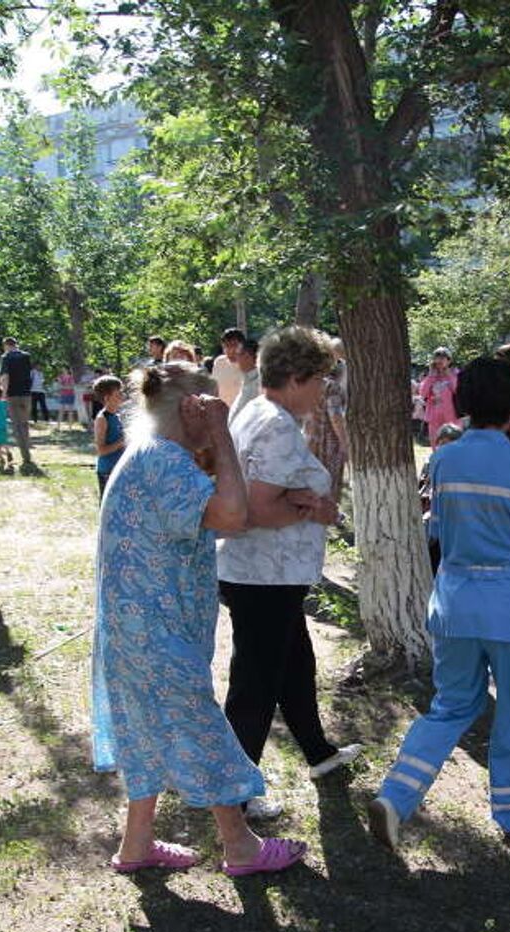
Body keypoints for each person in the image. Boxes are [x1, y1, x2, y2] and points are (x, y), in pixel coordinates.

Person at [91, 360, 306, 876]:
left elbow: (222, 518)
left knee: (146, 731)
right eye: (211, 407)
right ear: (193, 409)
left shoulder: (149, 456)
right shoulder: (164, 460)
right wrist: (221, 436)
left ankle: (136, 846)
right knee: (199, 728)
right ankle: (242, 846)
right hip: (154, 632)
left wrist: (209, 441)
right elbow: (232, 516)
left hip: (136, 629)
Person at [368, 357, 510, 852]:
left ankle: (396, 796)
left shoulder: (445, 458)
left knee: (450, 707)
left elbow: (438, 529)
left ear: (461, 402)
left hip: (455, 605)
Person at [217, 326, 362, 801]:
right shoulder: (276, 425)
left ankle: (318, 753)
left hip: (264, 575)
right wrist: (316, 508)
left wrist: (302, 498)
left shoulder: (256, 409)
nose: (324, 391)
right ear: (297, 377)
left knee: (295, 665)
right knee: (254, 687)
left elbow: (257, 493)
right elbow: (256, 510)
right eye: (320, 380)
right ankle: (237, 791)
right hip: (264, 577)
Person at [306, 338, 349, 504]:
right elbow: (335, 416)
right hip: (329, 442)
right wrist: (345, 443)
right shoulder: (331, 387)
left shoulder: (306, 384)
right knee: (328, 484)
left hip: (310, 438)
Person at [419, 422, 463, 573]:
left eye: (451, 444)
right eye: (442, 443)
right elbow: (422, 488)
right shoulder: (430, 462)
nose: (446, 448)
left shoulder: (463, 468)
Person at [0, 337, 35, 472]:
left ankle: (26, 457)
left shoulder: (6, 357)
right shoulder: (26, 356)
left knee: (17, 426)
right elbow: (30, 374)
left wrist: (3, 394)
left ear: (6, 345)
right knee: (24, 425)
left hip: (13, 395)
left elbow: (5, 377)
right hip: (26, 394)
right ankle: (28, 455)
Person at [92, 376, 126, 499]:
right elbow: (101, 450)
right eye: (118, 394)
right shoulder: (102, 419)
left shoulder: (116, 416)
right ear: (107, 398)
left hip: (118, 468)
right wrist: (121, 442)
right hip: (107, 471)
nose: (122, 396)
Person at [419, 347, 460, 447]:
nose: (439, 360)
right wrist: (431, 376)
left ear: (449, 360)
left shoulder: (456, 373)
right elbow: (423, 394)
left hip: (452, 417)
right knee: (435, 444)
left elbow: (458, 391)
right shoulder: (431, 376)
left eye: (443, 358)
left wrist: (449, 375)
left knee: (453, 444)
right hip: (434, 417)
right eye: (437, 358)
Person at [228, 337, 260, 426]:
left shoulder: (260, 384)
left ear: (247, 356)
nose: (236, 359)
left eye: (238, 354)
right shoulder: (247, 380)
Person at [212, 327, 245, 407]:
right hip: (222, 413)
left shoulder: (252, 365)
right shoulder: (219, 362)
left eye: (234, 345)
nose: (231, 350)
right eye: (227, 346)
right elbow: (214, 389)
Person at [0, 386, 14, 473]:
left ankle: (1, 459)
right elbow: (6, 399)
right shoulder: (4, 404)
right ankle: (8, 452)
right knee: (4, 442)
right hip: (3, 427)